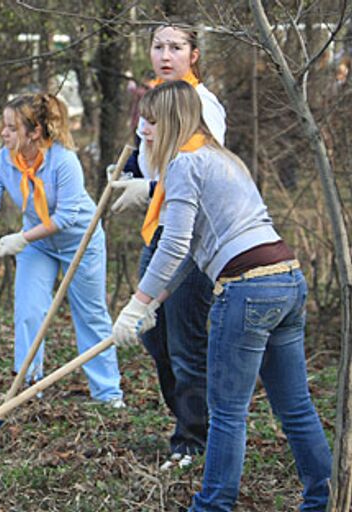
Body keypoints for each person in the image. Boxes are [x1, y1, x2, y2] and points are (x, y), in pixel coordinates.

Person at [112, 80, 331, 511]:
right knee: (296, 406)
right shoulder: (222, 159)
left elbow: (173, 245)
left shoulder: (184, 164)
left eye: (151, 123)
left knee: (227, 412)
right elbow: (192, 254)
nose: (144, 131)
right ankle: (324, 498)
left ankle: (211, 506)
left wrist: (135, 302)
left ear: (172, 123)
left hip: (247, 288)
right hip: (286, 279)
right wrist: (155, 302)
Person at [0, 93, 124, 406]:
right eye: (3, 126)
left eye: (11, 127)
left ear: (34, 132)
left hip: (80, 241)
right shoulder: (4, 161)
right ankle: (29, 388)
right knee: (29, 311)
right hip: (38, 245)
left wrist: (22, 237)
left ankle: (108, 394)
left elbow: (67, 216)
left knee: (90, 315)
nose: (2, 133)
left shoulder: (63, 160)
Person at [110, 21, 226, 468]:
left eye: (176, 47)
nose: (165, 54)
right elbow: (151, 158)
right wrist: (134, 180)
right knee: (155, 336)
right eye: (158, 46)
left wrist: (153, 183)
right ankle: (189, 419)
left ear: (193, 54)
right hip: (158, 229)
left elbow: (202, 163)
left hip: (192, 235)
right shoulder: (152, 100)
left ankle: (193, 440)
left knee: (184, 339)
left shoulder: (203, 104)